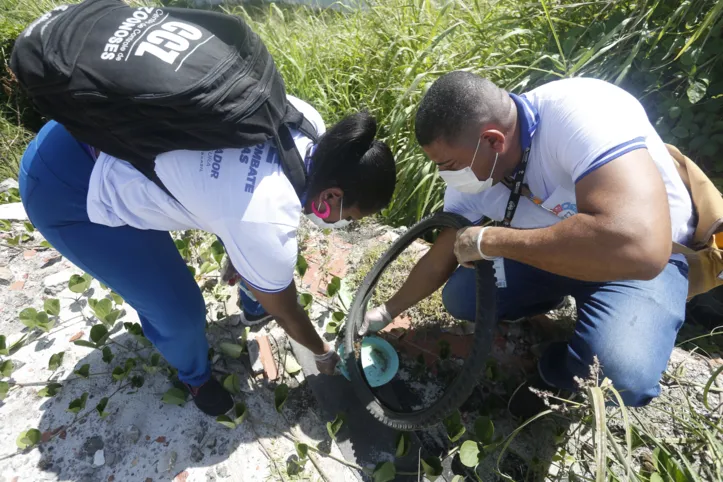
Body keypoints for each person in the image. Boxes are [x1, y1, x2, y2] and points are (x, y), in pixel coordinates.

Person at [18, 96, 396, 416]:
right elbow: (287, 308)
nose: (344, 222)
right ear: (331, 197)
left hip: (92, 126)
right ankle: (195, 379)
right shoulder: (263, 217)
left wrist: (245, 247)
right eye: (350, 215)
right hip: (67, 186)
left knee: (257, 254)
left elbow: (227, 181)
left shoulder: (305, 120)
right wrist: (322, 351)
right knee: (179, 311)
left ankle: (251, 302)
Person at [361, 72, 693, 416]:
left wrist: (495, 240)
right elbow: (442, 253)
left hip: (633, 266)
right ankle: (551, 301)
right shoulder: (475, 169)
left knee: (624, 374)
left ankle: (555, 370)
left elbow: (642, 248)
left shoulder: (581, 116)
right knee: (463, 296)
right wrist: (386, 311)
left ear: (492, 141)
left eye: (449, 165)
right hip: (548, 254)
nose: (447, 176)